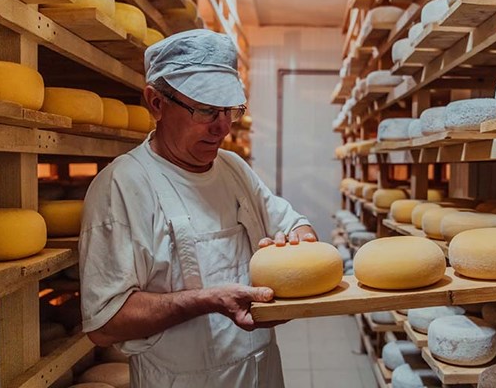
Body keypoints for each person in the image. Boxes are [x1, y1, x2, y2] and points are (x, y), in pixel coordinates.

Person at [78, 29, 317, 387]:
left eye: (229, 109)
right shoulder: (123, 186)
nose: (221, 126)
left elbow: (297, 225)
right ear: (156, 103)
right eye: (205, 109)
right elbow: (104, 322)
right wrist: (207, 300)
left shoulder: (234, 168)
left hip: (261, 374)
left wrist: (297, 247)